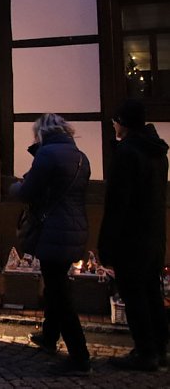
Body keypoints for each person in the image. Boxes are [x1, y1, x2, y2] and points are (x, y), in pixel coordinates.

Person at [10, 114, 91, 376]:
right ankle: (49, 336)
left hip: (53, 230)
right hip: (74, 229)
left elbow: (27, 191)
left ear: (41, 132)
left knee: (59, 293)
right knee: (57, 284)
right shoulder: (80, 156)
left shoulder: (48, 155)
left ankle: (80, 357)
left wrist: (14, 187)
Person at [99, 99, 168, 371]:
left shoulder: (128, 153)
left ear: (123, 123)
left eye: (115, 121)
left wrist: (107, 243)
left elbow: (118, 204)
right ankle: (160, 347)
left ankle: (145, 351)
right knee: (151, 291)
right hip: (153, 234)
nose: (113, 125)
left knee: (135, 294)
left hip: (131, 237)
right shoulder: (156, 152)